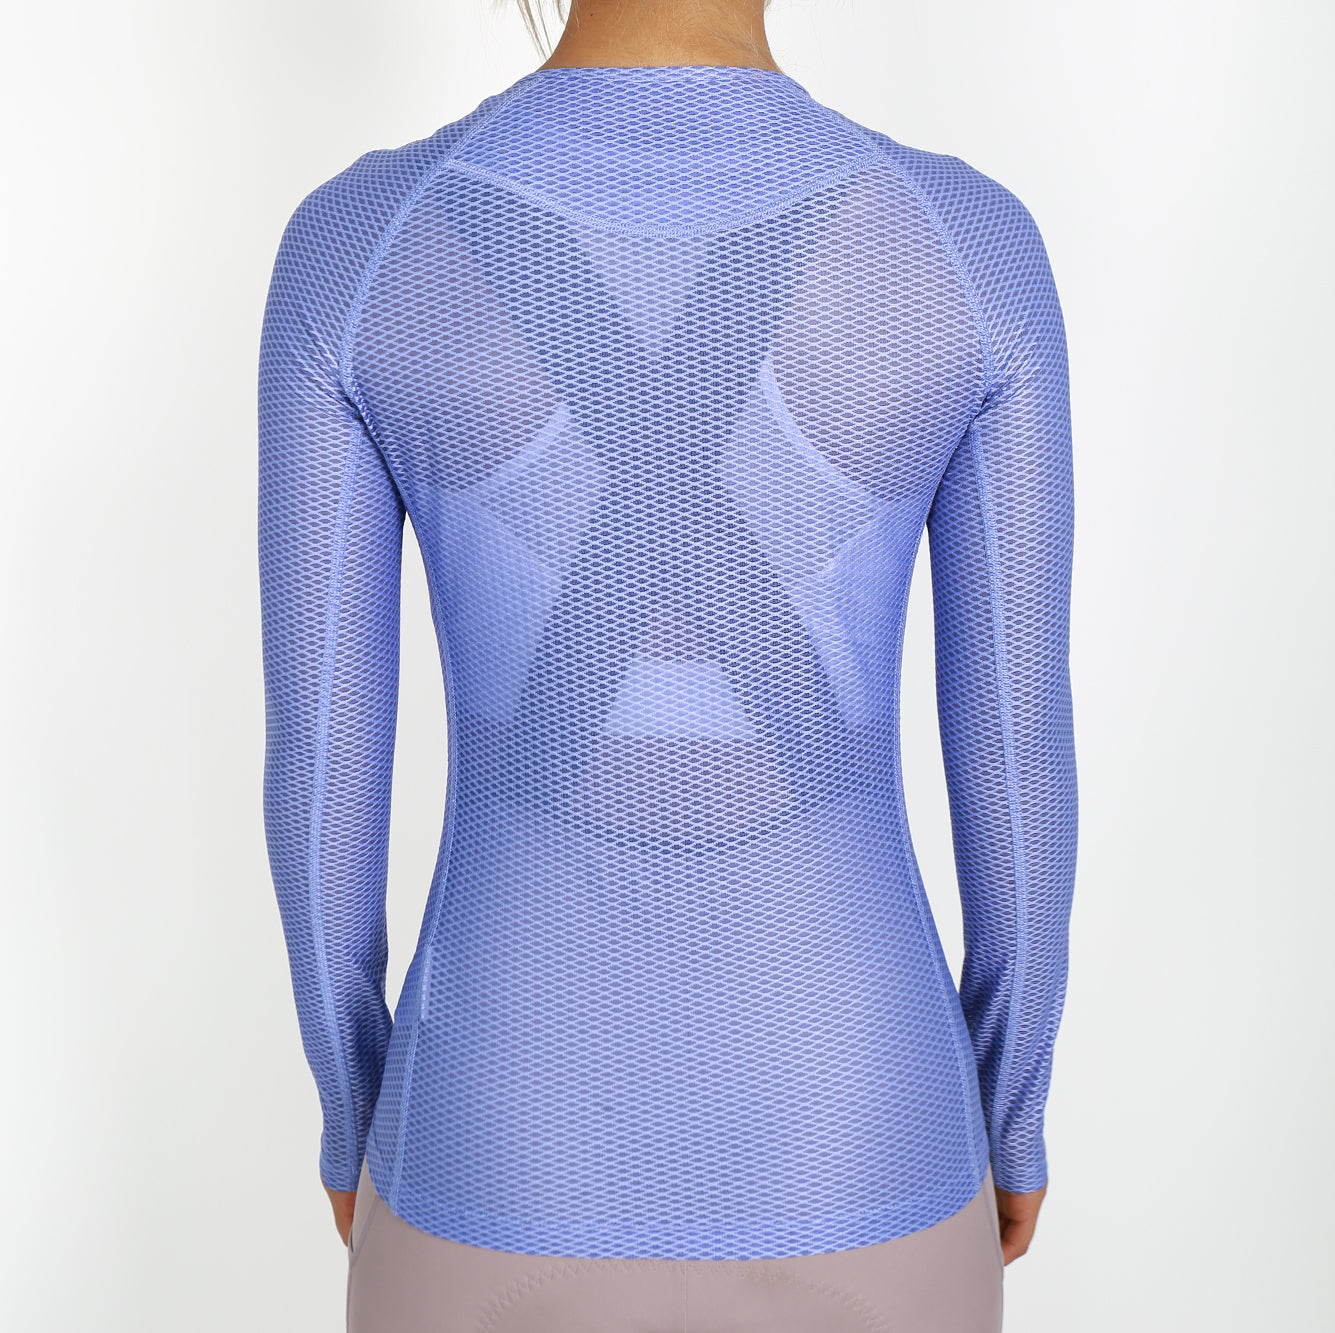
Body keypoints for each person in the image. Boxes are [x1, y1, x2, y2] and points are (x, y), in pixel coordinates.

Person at [256, 0, 1077, 1327]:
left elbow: (320, 774)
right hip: (867, 1133)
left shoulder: (361, 246)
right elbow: (1018, 757)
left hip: (490, 1140)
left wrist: (359, 1117)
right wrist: (1012, 1114)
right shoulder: (965, 246)